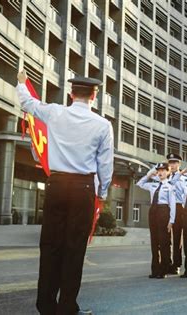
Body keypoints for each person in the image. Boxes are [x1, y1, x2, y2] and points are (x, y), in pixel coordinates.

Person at [16, 71, 114, 315]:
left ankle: (46, 306)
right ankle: (67, 307)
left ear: (71, 94)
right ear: (94, 96)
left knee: (50, 246)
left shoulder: (55, 112)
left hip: (56, 185)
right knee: (74, 248)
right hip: (83, 189)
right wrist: (101, 192)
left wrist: (21, 83)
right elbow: (105, 165)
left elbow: (28, 103)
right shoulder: (102, 125)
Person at [136, 163, 176, 279]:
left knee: (164, 242)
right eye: (158, 170)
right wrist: (149, 174)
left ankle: (163, 270)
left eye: (163, 170)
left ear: (168, 172)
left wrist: (171, 221)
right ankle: (155, 270)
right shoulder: (153, 185)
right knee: (154, 242)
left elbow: (172, 205)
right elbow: (140, 183)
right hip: (153, 212)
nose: (160, 172)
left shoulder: (170, 186)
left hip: (164, 212)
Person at [166, 153, 184, 274]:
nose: (172, 165)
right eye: (170, 162)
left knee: (177, 237)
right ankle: (166, 263)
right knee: (166, 238)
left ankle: (176, 264)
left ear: (179, 164)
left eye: (174, 163)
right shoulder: (165, 176)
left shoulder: (184, 177)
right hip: (166, 208)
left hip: (178, 207)